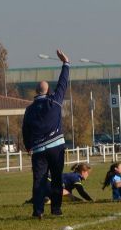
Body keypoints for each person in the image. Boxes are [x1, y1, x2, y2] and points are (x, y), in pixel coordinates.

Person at [22, 49, 70, 218]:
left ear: (36, 92)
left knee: (39, 180)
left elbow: (25, 130)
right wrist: (65, 63)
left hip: (38, 150)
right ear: (49, 92)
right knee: (57, 178)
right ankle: (56, 210)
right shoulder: (54, 102)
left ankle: (38, 211)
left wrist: (28, 146)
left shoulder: (29, 110)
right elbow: (63, 83)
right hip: (56, 147)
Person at [24, 163, 94, 203]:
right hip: (48, 181)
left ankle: (37, 200)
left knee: (66, 196)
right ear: (83, 172)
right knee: (68, 196)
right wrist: (90, 200)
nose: (88, 175)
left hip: (44, 182)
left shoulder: (72, 176)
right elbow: (81, 191)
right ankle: (45, 200)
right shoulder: (76, 177)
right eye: (88, 173)